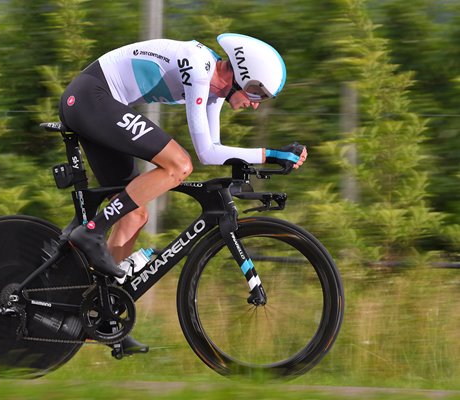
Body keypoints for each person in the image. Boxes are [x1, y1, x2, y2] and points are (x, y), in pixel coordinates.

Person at [59, 33, 307, 356]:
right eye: (257, 92)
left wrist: (270, 156)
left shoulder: (216, 93)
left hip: (102, 103)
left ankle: (102, 314)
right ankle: (91, 230)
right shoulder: (198, 67)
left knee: (134, 215)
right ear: (242, 75)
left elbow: (213, 153)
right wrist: (270, 153)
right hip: (93, 96)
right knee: (178, 165)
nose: (256, 103)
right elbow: (199, 153)